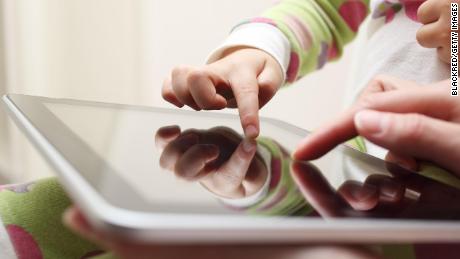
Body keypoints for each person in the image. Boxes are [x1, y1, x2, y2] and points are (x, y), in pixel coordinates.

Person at [0, 0, 458, 258]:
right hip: (350, 170)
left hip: (434, 217)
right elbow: (325, 9)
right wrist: (254, 52)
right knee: (65, 202)